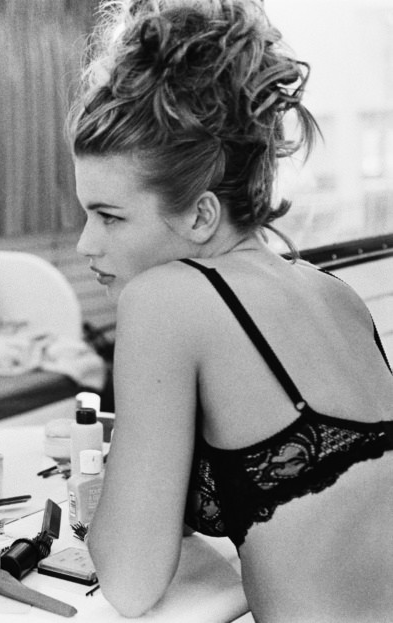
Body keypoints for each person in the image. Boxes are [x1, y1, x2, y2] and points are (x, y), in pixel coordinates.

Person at [67, 0, 393, 621]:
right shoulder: (337, 296)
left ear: (200, 214)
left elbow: (129, 582)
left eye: (109, 216)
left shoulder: (164, 299)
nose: (86, 243)